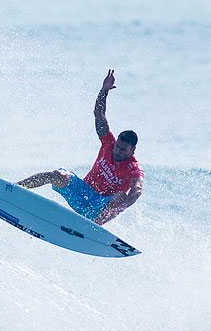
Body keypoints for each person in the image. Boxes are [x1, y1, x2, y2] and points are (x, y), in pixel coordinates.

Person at [17, 69, 143, 226]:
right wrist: (104, 91)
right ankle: (15, 189)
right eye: (118, 146)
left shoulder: (134, 168)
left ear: (132, 151)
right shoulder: (109, 143)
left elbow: (136, 189)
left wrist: (125, 203)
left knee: (121, 197)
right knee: (57, 174)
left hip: (98, 208)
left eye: (123, 150)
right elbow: (99, 115)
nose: (117, 151)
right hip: (81, 193)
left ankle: (94, 228)